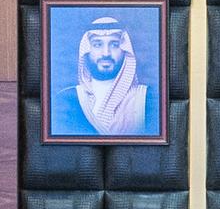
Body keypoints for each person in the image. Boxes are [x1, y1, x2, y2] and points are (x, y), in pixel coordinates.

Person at [54, 12, 156, 140]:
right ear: (87, 50)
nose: (106, 53)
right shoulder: (67, 98)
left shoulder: (147, 98)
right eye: (97, 44)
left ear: (124, 50)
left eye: (114, 44)